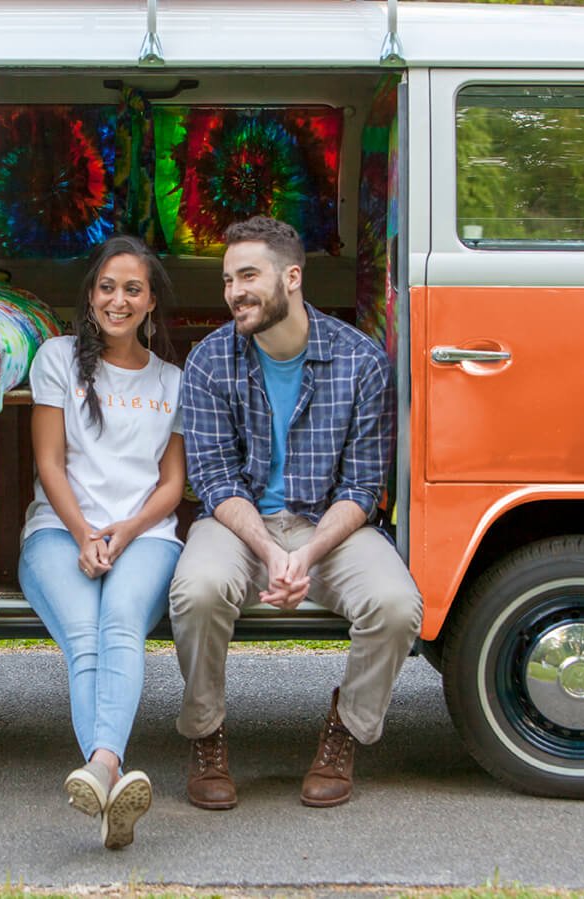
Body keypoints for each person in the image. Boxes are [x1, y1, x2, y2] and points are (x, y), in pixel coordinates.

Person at [170, 216, 423, 810]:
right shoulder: (210, 361)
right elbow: (213, 480)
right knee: (198, 590)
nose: (235, 291)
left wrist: (303, 555)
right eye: (229, 279)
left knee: (395, 606)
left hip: (327, 525)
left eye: (249, 275)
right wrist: (270, 552)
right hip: (238, 523)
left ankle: (345, 731)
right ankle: (207, 733)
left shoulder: (359, 361)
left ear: (292, 277)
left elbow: (361, 488)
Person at [17, 234, 185, 849]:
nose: (118, 299)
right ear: (90, 295)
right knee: (85, 635)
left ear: (150, 303)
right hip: (59, 533)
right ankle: (110, 770)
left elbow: (172, 485)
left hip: (146, 536)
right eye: (107, 287)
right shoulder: (57, 359)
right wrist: (86, 532)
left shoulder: (171, 379)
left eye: (132, 289)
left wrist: (127, 529)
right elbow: (50, 464)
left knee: (119, 623)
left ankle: (102, 768)